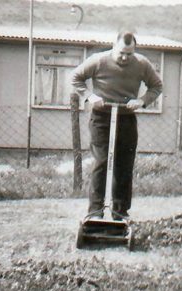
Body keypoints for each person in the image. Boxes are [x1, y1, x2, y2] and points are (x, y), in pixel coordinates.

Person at [71, 31, 162, 220]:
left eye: (129, 54)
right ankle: (95, 212)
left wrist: (142, 101)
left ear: (134, 51)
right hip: (101, 118)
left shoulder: (142, 64)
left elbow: (156, 86)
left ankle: (120, 212)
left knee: (124, 166)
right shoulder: (99, 60)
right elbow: (75, 78)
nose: (124, 57)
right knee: (102, 162)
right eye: (121, 52)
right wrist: (90, 96)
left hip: (126, 118)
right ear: (114, 46)